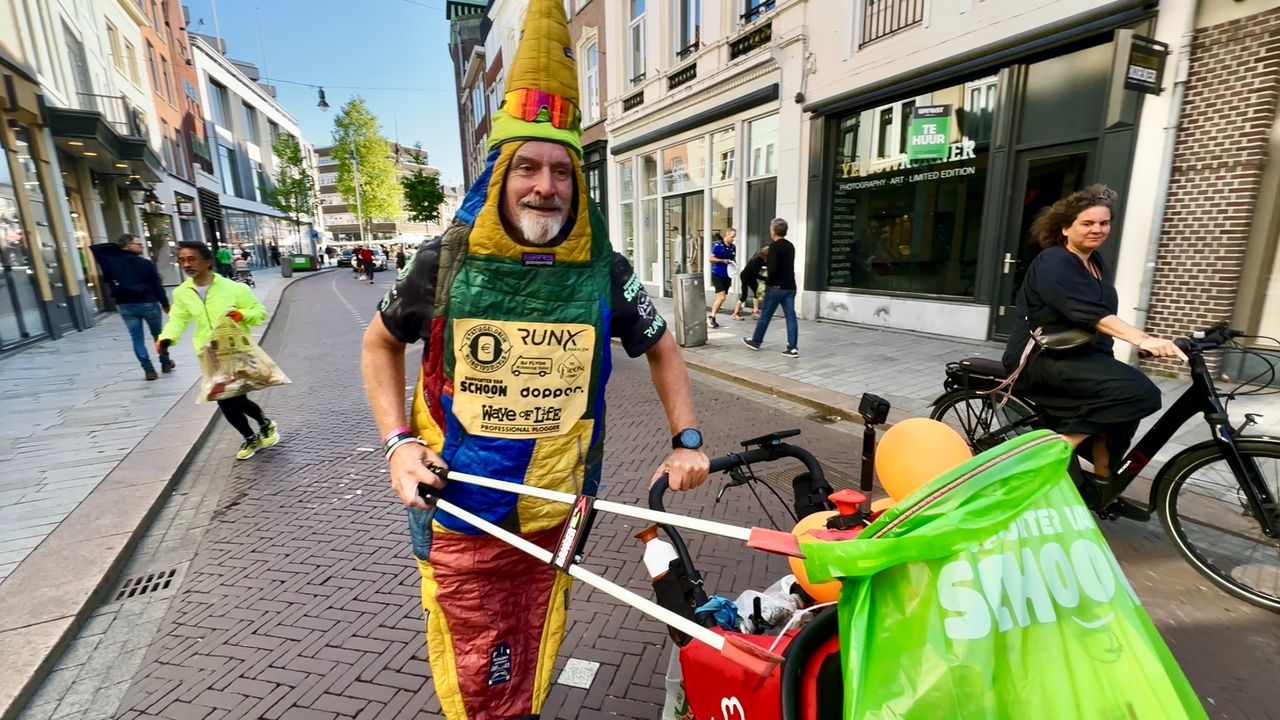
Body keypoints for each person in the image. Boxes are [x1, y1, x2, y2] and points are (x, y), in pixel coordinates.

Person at [361, 3, 709, 716]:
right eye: (527, 167)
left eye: (560, 169)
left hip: (559, 509)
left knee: (533, 638)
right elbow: (379, 344)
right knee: (474, 667)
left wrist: (687, 439)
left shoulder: (603, 271)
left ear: (579, 184)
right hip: (462, 513)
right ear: (500, 173)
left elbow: (664, 347)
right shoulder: (443, 261)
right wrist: (397, 445)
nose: (545, 186)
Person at [1002, 185, 1182, 517]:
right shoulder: (1055, 260)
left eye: (1104, 223)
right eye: (1087, 223)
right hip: (1042, 357)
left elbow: (1098, 322)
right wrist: (1142, 340)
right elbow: (1089, 312)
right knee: (1140, 393)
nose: (1097, 229)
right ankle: (1057, 449)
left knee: (1120, 417)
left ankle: (1102, 486)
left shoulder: (1095, 261)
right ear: (1065, 228)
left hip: (1081, 355)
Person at [158, 240, 281, 461]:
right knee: (225, 398)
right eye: (182, 260)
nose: (187, 264)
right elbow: (177, 319)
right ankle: (253, 433)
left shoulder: (235, 288)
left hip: (235, 349)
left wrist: (242, 315)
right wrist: (167, 338)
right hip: (209, 353)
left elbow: (258, 312)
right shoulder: (182, 293)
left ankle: (262, 425)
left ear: (207, 261)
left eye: (192, 259)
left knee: (234, 397)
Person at [91, 233, 173, 380]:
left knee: (137, 339)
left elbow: (108, 279)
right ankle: (165, 362)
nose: (141, 246)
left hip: (126, 305)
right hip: (148, 303)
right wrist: (165, 304)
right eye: (138, 244)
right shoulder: (145, 264)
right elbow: (156, 286)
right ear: (127, 246)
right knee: (158, 335)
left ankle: (148, 370)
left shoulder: (111, 264)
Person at [743, 218, 799, 357]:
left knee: (766, 315)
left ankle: (756, 341)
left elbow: (772, 268)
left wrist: (767, 281)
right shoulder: (790, 246)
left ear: (774, 230)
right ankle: (792, 348)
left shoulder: (774, 247)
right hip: (790, 286)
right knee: (791, 316)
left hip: (775, 287)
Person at [707, 228, 737, 328]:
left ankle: (713, 317)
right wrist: (722, 260)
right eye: (732, 237)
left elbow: (733, 259)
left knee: (721, 299)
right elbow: (711, 259)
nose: (733, 239)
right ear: (727, 235)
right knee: (722, 297)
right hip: (717, 274)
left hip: (727, 276)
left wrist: (735, 268)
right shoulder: (718, 245)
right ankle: (711, 317)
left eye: (734, 237)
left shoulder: (733, 247)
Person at [732, 245, 768, 321]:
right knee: (744, 296)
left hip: (751, 276)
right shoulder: (756, 261)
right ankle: (735, 313)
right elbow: (756, 275)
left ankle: (755, 312)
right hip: (745, 276)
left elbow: (765, 264)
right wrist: (766, 279)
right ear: (766, 255)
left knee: (757, 293)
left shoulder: (760, 259)